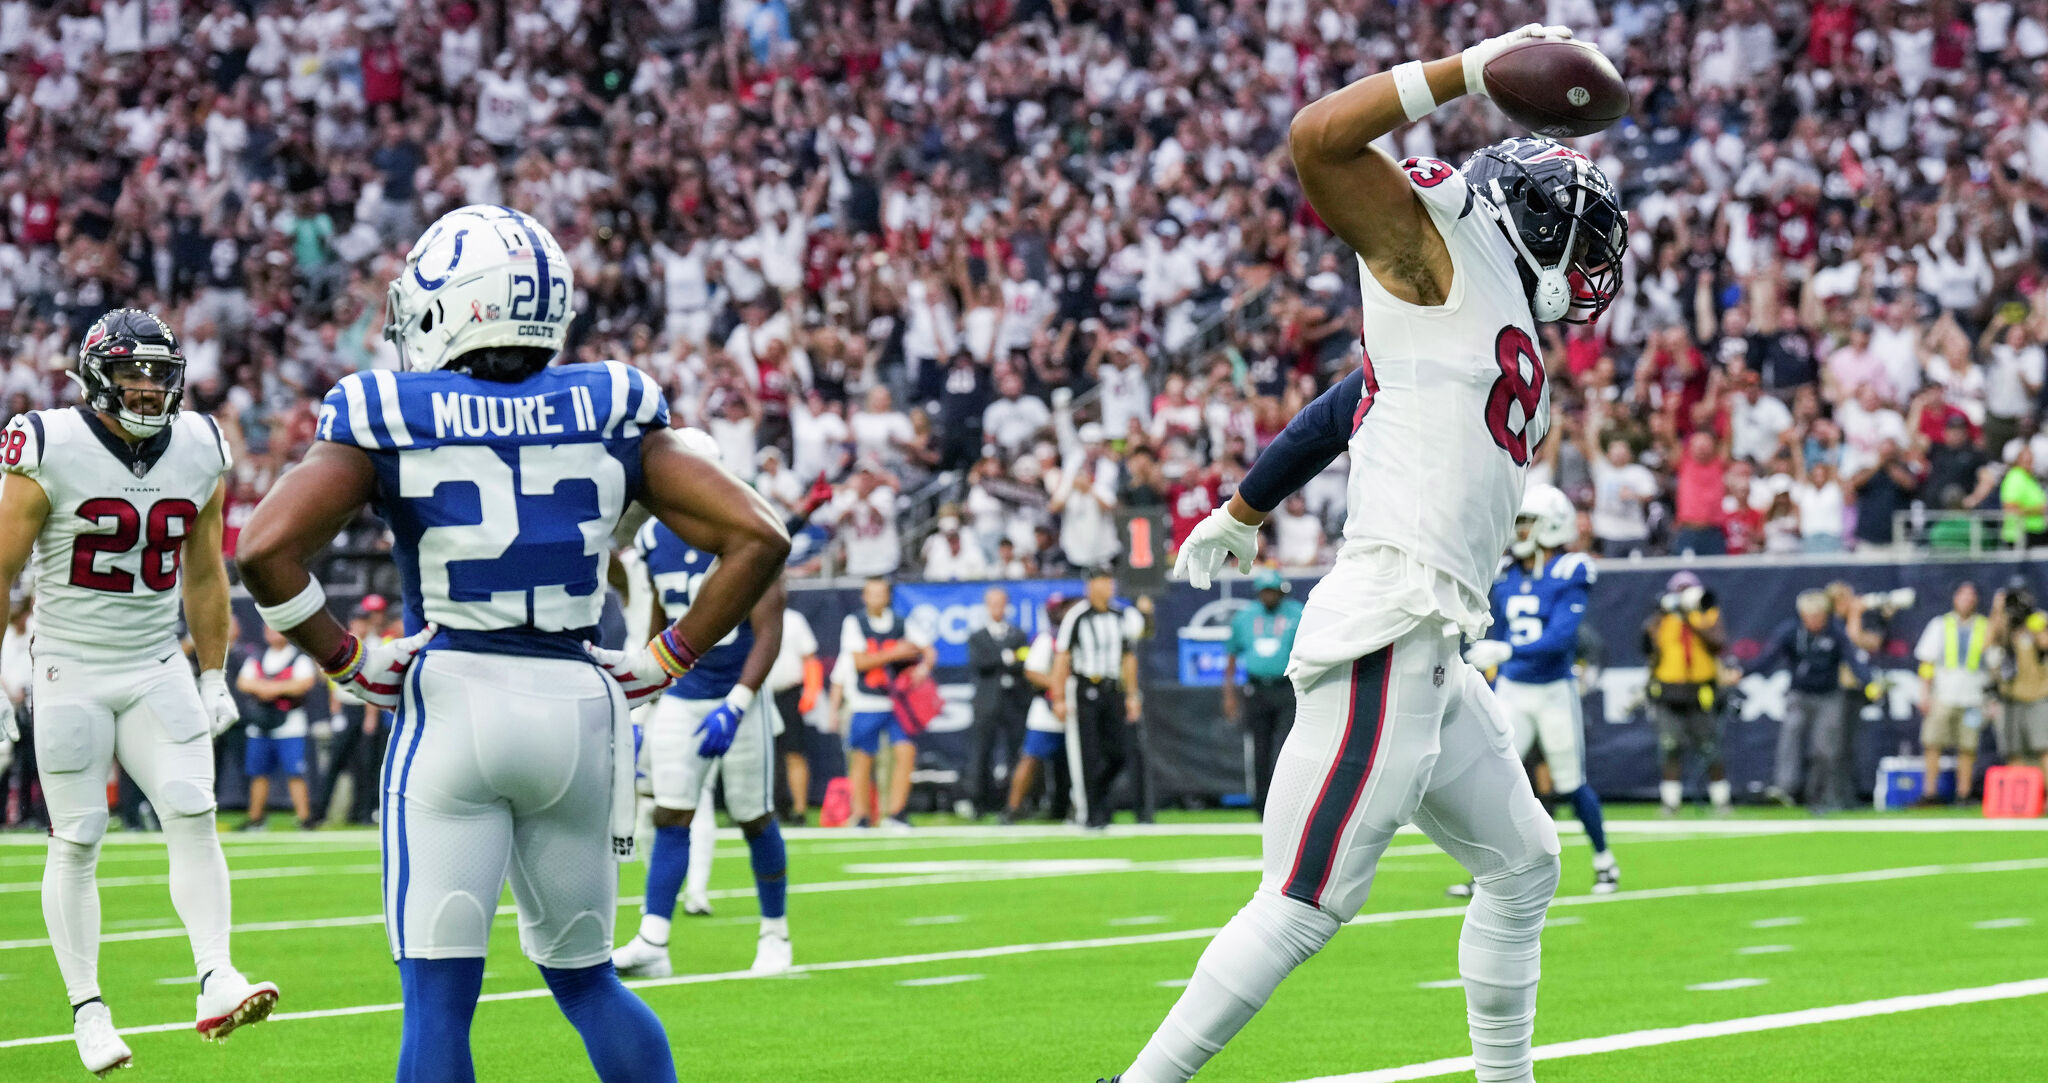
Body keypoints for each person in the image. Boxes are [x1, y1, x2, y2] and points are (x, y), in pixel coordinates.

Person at [1105, 24, 1624, 1082]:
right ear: (1530, 222)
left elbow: (1363, 396)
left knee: (1524, 864)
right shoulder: (1440, 250)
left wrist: (1245, 507)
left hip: (1436, 638)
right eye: (1580, 236)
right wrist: (1469, 73)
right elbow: (1317, 141)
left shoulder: (1474, 309)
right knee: (1301, 904)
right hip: (1393, 624)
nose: (1594, 263)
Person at [235, 206, 789, 1083]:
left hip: (454, 701)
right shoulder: (612, 401)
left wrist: (345, 657)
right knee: (589, 981)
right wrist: (668, 657)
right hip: (579, 705)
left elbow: (263, 548)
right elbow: (760, 534)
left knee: (439, 1002)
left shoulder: (387, 408)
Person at [0, 307, 278, 1075]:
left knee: (194, 809)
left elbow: (204, 569)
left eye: (159, 373)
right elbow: (1, 566)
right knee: (80, 836)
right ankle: (89, 1009)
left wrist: (216, 670)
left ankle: (216, 975)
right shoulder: (48, 440)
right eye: (132, 372)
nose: (148, 388)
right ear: (96, 377)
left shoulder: (200, 444)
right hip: (69, 666)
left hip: (157, 660)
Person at [613, 439, 793, 979]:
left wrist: (739, 703)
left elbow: (770, 628)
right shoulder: (650, 538)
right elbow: (657, 622)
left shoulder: (741, 523)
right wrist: (643, 705)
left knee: (753, 816)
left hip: (738, 692)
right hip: (684, 692)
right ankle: (654, 940)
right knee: (669, 811)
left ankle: (775, 933)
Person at [1462, 484, 1618, 894]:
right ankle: (1486, 874)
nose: (1520, 529)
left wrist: (1506, 647)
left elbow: (1561, 638)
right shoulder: (1507, 571)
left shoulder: (1571, 569)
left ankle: (1605, 861)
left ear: (1551, 524)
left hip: (1553, 690)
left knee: (1569, 783)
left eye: (1527, 521)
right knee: (1495, 780)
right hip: (1513, 687)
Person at [1750, 590, 1867, 812]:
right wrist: (1742, 671)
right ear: (1802, 615)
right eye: (1810, 616)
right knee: (1790, 736)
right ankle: (1785, 789)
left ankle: (1820, 796)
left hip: (1829, 696)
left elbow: (1853, 660)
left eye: (1819, 616)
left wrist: (1869, 682)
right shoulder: (1791, 632)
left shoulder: (1835, 633)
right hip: (1800, 694)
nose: (1815, 621)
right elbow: (1767, 658)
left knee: (1825, 749)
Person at [1050, 567, 1146, 829]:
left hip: (1113, 689)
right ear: (1091, 585)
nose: (1109, 586)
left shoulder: (1120, 616)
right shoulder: (1077, 616)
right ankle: (1092, 813)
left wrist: (1132, 694)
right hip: (1086, 687)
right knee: (1088, 754)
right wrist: (1058, 696)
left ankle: (1100, 797)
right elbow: (1062, 657)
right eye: (1104, 581)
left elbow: (1128, 657)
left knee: (1119, 752)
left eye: (1110, 581)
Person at [837, 577, 934, 829]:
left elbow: (929, 651)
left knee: (905, 753)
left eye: (881, 593)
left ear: (888, 596)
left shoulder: (902, 622)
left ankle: (896, 812)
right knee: (862, 758)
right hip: (866, 700)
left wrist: (922, 669)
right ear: (864, 597)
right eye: (872, 594)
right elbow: (860, 662)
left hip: (898, 702)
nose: (877, 599)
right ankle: (861, 815)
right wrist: (894, 653)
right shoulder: (855, 622)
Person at [1645, 570, 1731, 816]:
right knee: (1670, 745)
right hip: (1670, 689)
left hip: (1700, 689)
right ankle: (1671, 802)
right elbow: (1648, 645)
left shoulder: (1707, 613)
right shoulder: (1661, 618)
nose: (1683, 595)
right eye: (1679, 590)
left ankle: (1721, 800)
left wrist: (1690, 620)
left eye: (1688, 590)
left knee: (1709, 746)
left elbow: (1718, 643)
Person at [1223, 568, 1303, 817]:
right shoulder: (1245, 617)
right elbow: (1232, 657)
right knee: (1260, 749)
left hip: (1287, 688)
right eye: (1264, 591)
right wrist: (1229, 695)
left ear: (1281, 591)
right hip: (1256, 689)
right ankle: (1262, 804)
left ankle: (1290, 802)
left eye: (1273, 591)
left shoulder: (1297, 614)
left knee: (1288, 747)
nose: (1269, 596)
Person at [311, 596, 393, 828]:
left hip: (369, 706)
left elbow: (375, 678)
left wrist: (371, 715)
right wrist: (334, 703)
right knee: (336, 761)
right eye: (357, 620)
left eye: (363, 620)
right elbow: (329, 675)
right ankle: (319, 811)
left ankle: (365, 812)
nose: (360, 625)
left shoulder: (378, 643)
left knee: (368, 764)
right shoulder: (344, 642)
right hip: (348, 707)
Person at [234, 623, 319, 830]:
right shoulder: (258, 656)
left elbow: (304, 683)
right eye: (268, 629)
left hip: (290, 724)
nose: (272, 633)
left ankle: (304, 817)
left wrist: (271, 688)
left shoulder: (298, 658)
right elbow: (243, 682)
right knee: (258, 773)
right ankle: (256, 818)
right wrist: (272, 688)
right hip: (261, 723)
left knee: (295, 772)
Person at [1914, 581, 1992, 804]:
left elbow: (1993, 664)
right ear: (1954, 598)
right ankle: (1930, 792)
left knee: (1968, 746)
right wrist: (1925, 693)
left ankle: (1963, 793)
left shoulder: (1985, 626)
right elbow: (1927, 662)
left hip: (1974, 697)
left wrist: (1991, 699)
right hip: (1944, 694)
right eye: (1963, 595)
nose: (1967, 599)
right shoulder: (1940, 624)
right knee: (1933, 743)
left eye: (1971, 595)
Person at [1006, 594, 1074, 824]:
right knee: (1031, 756)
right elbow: (1032, 672)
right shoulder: (1048, 639)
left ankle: (1072, 807)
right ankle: (1012, 808)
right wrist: (1058, 688)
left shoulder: (1079, 634)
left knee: (1079, 761)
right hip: (1047, 707)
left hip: (1077, 705)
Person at [966, 586, 1032, 819]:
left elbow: (1024, 662)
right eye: (992, 604)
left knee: (1017, 752)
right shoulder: (977, 636)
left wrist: (1004, 660)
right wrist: (1006, 658)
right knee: (982, 752)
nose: (997, 608)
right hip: (987, 702)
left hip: (1014, 701)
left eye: (1000, 603)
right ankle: (979, 802)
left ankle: (1015, 803)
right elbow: (980, 664)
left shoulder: (1017, 634)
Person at [768, 603, 820, 826]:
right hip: (755, 694)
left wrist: (811, 691)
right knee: (757, 755)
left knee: (793, 752)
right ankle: (758, 810)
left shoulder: (793, 619)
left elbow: (810, 658)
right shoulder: (745, 617)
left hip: (788, 693)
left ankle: (799, 810)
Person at [1992, 580, 2048, 774]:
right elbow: (1988, 643)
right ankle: (2021, 800)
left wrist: (2034, 626)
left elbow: (2044, 643)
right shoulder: (2006, 624)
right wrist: (1997, 611)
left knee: (2044, 748)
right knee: (2013, 751)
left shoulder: (2038, 619)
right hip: (2011, 698)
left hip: (2038, 696)